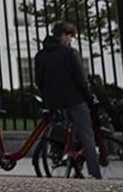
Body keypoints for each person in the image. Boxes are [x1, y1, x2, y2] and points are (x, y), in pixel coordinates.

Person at [34, 21, 101, 179]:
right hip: (74, 99)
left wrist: (48, 97)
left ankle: (66, 156)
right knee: (87, 134)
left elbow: (39, 80)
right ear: (63, 35)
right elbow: (80, 79)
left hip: (54, 101)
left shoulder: (40, 55)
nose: (71, 40)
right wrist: (89, 96)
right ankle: (95, 173)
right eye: (70, 36)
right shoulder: (69, 53)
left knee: (66, 130)